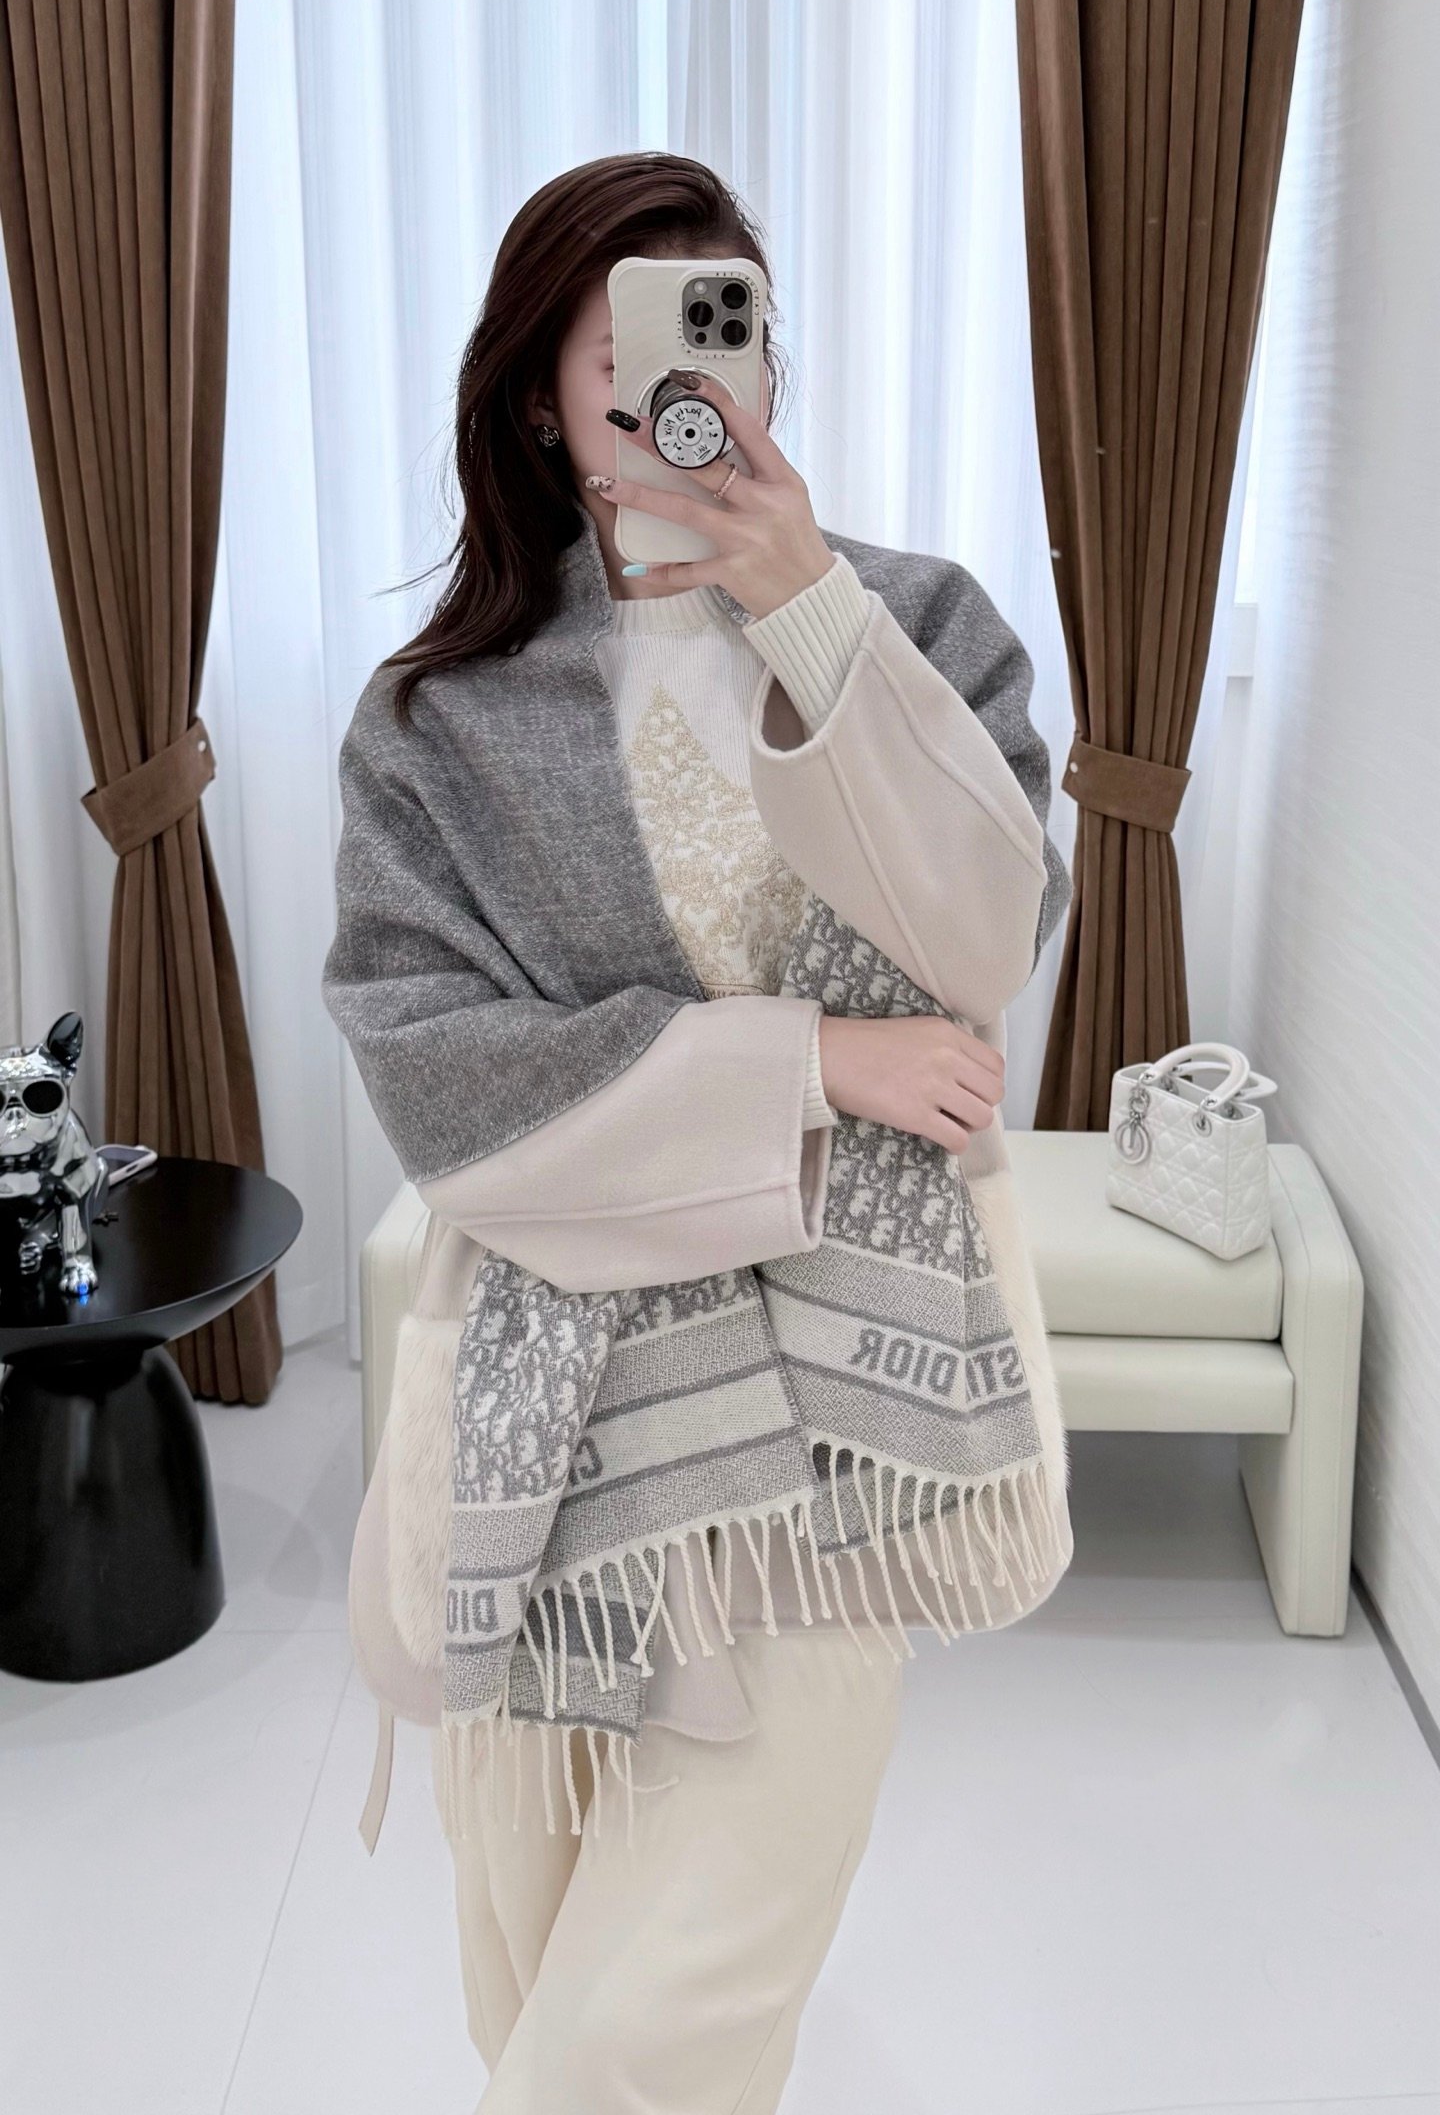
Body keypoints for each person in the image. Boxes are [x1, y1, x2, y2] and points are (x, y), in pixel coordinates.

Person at [322, 150, 1073, 2115]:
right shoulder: (438, 720)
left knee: (661, 2017)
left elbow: (985, 939)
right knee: (526, 1963)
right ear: (538, 399)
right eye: (626, 355)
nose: (684, 393)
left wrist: (811, 612)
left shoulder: (922, 627)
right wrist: (810, 1060)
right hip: (543, 1417)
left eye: (722, 336)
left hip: (832, 1420)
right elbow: (438, 1074)